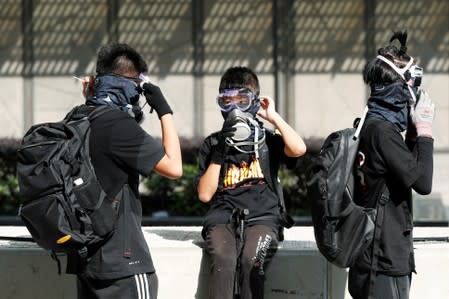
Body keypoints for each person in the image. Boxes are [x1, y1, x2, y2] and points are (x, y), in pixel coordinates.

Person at [68, 43, 182, 299]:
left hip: (87, 262)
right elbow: (174, 167)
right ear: (132, 86)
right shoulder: (118, 126)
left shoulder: (74, 120)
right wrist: (164, 110)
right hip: (124, 265)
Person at [195, 66, 307, 299]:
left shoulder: (268, 139)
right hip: (223, 218)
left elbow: (298, 149)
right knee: (223, 261)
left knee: (252, 261)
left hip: (263, 217)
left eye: (242, 101)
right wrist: (221, 150)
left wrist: (273, 116)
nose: (234, 110)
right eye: (227, 102)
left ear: (255, 102)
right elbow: (205, 195)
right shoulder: (213, 143)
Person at [349, 31, 435, 299]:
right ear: (397, 86)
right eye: (412, 81)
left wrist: (410, 133)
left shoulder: (371, 126)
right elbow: (423, 183)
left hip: (373, 258)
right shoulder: (383, 133)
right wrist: (424, 130)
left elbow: (402, 170)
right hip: (382, 262)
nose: (415, 90)